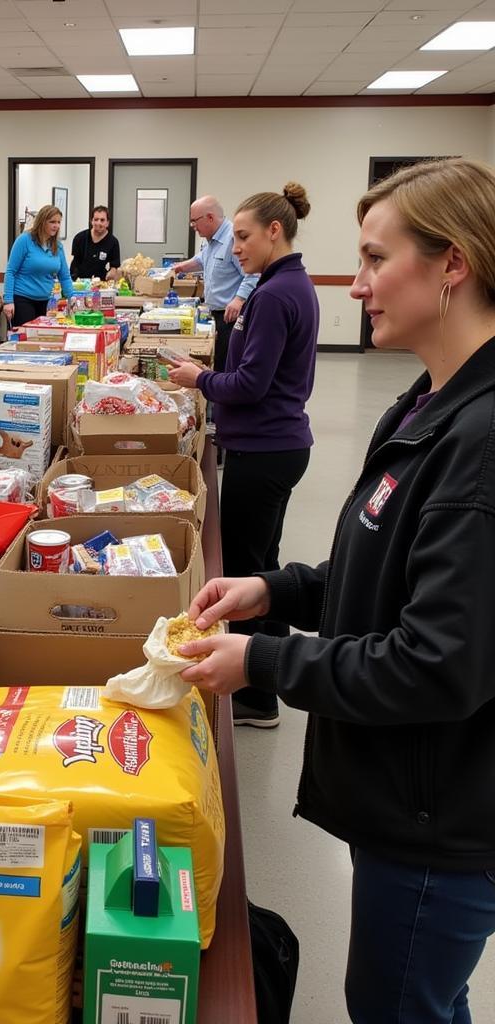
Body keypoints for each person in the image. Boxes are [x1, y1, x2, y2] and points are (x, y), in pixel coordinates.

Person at [175, 157, 495, 1024]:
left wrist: (263, 661)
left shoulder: (479, 443)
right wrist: (272, 592)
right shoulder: (428, 403)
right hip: (408, 789)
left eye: (374, 260)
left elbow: (435, 664)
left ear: (452, 265)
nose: (354, 286)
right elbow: (376, 571)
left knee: (398, 1005)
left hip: (442, 814)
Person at [169, 183, 317, 727]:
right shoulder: (288, 284)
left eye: (245, 237)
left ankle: (256, 694)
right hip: (277, 443)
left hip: (265, 447)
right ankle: (264, 683)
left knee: (250, 571)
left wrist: (198, 378)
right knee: (264, 567)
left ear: (275, 232)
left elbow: (251, 383)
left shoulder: (276, 294)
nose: (236, 248)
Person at [172, 195, 259, 373]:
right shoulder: (210, 240)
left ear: (210, 217)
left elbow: (252, 274)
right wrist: (182, 266)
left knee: (228, 365)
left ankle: (225, 398)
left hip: (230, 317)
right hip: (214, 314)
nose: (193, 226)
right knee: (217, 361)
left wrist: (239, 299)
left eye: (194, 221)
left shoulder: (232, 239)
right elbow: (202, 259)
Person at [2, 205, 75, 328]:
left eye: (58, 222)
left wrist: (71, 297)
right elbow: (10, 272)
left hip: (45, 301)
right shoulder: (24, 240)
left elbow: (64, 276)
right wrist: (8, 301)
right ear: (42, 222)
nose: (56, 226)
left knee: (42, 339)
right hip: (23, 299)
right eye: (52, 222)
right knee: (25, 339)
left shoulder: (57, 246)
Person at [70, 205, 120, 281]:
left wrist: (112, 273)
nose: (98, 223)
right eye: (96, 219)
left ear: (107, 223)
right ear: (91, 221)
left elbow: (114, 266)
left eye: (102, 220)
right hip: (80, 283)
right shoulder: (80, 238)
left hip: (101, 283)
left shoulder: (113, 242)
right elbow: (75, 262)